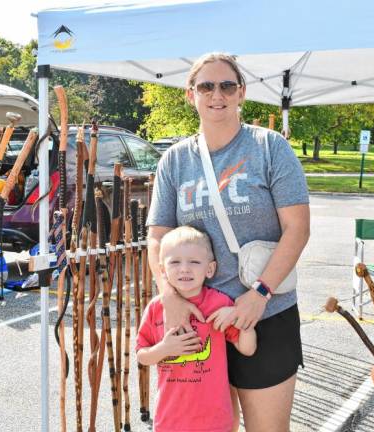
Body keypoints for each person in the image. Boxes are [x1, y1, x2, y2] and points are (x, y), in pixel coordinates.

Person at [147, 52, 310, 432]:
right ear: (191, 95)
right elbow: (157, 236)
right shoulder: (174, 161)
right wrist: (168, 296)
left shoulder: (269, 147)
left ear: (242, 93)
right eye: (206, 85)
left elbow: (298, 228)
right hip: (199, 321)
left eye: (226, 85)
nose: (216, 94)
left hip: (264, 315)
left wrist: (259, 294)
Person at [137, 226, 257, 432]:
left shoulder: (219, 304)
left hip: (215, 420)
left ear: (209, 269)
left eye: (194, 262)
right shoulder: (156, 308)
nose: (184, 268)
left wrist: (241, 319)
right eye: (175, 262)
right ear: (163, 270)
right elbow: (142, 356)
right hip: (169, 420)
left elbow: (247, 348)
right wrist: (166, 349)